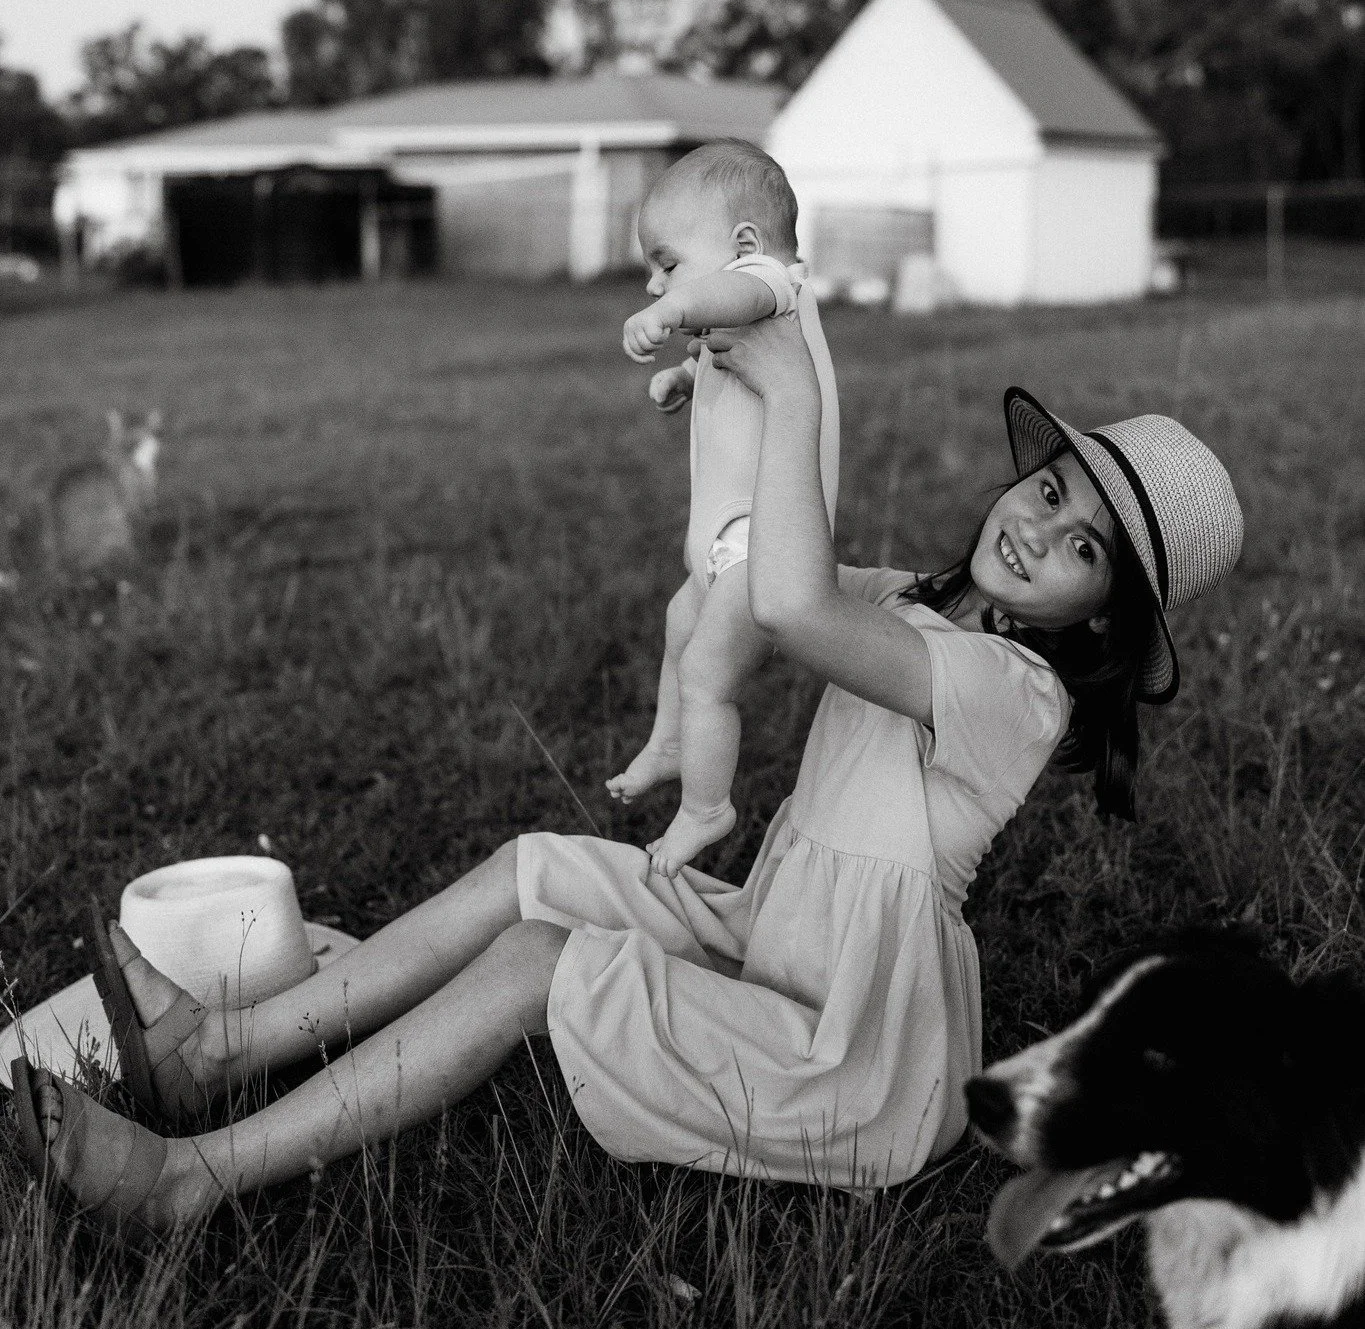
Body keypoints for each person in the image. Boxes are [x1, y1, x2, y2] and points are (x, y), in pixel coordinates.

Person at [11, 318, 1244, 1236]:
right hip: (776, 930)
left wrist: (795, 386)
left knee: (544, 963)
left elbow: (797, 604)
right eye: (1048, 487)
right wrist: (732, 401)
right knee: (533, 867)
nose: (1036, 525)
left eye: (1083, 544)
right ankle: (215, 1052)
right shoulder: (922, 601)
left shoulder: (1015, 692)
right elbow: (756, 575)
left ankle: (192, 1178)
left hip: (849, 1036)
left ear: (1102, 620)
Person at [608, 139, 838, 876]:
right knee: (679, 627)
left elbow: (734, 297)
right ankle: (671, 743)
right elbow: (726, 351)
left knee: (708, 671)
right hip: (724, 546)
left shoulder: (769, 282)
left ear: (743, 244)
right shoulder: (733, 328)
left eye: (666, 264)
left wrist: (679, 308)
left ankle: (708, 809)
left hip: (763, 547)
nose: (654, 285)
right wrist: (686, 375)